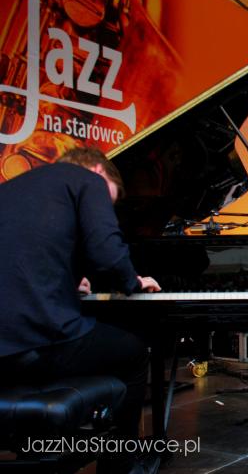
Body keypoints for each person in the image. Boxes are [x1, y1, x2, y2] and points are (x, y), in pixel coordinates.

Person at [0, 148, 161, 474]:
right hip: (34, 342)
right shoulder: (88, 180)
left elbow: (24, 261)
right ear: (98, 171)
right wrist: (133, 280)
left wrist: (68, 282)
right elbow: (107, 254)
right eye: (108, 204)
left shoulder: (14, 189)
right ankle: (122, 465)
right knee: (133, 353)